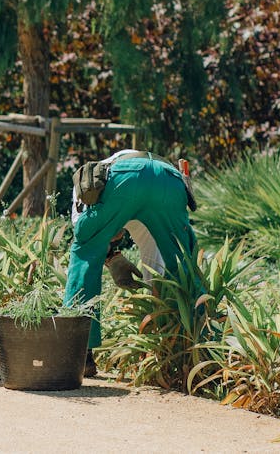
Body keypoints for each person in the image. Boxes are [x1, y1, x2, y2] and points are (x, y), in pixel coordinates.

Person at [63, 150, 198, 377]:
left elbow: (89, 239)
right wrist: (114, 258)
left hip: (125, 179)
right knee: (177, 264)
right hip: (169, 180)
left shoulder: (86, 188)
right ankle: (185, 348)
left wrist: (107, 255)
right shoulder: (137, 219)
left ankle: (79, 354)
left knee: (84, 253)